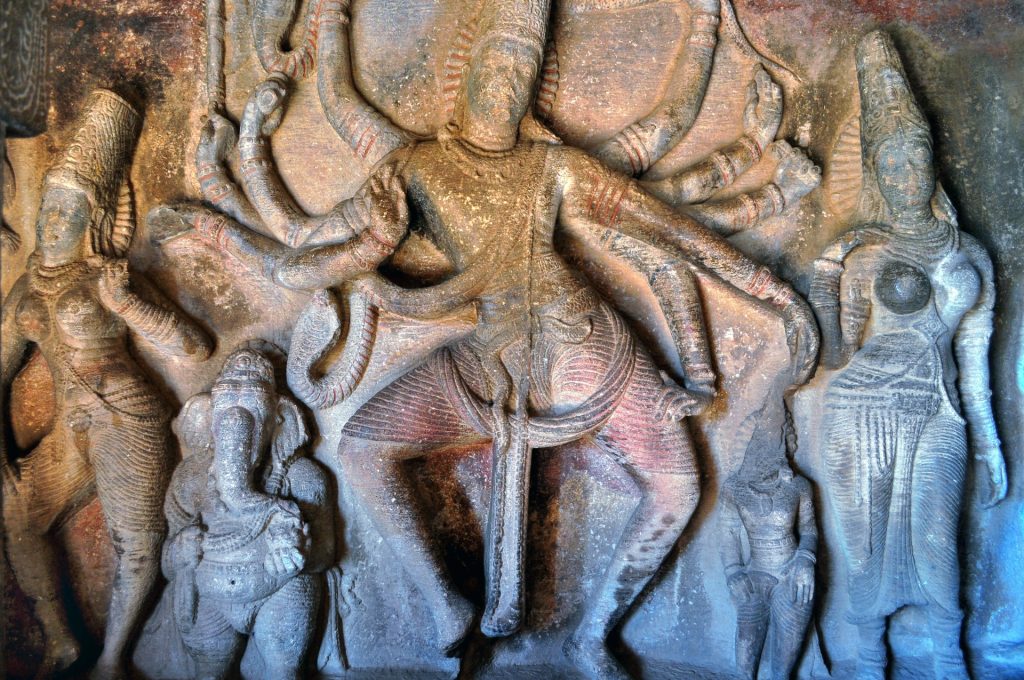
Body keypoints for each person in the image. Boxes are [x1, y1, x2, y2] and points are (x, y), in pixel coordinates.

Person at [808, 31, 1007, 680]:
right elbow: (838, 351)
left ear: (933, 163)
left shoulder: (967, 255)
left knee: (934, 542)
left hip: (937, 412)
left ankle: (948, 654)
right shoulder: (864, 250)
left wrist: (989, 442)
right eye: (889, 163)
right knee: (861, 549)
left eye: (914, 159)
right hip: (857, 410)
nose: (904, 176)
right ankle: (869, 655)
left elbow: (973, 360)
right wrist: (826, 272)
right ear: (874, 170)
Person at [0, 89, 212, 679]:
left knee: (136, 544)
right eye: (46, 209)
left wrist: (130, 306)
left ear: (94, 220)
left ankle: (114, 659)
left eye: (67, 214)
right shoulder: (26, 290)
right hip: (74, 427)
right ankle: (60, 638)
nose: (50, 223)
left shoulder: (107, 279)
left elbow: (193, 345)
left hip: (126, 418)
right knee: (18, 519)